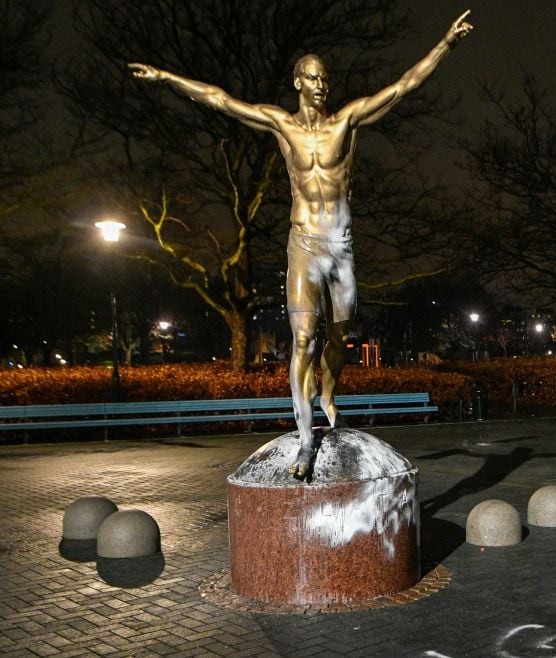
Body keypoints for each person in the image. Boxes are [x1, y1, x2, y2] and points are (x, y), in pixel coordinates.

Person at [130, 11, 474, 479]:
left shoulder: (347, 122)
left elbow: (403, 87)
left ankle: (328, 392)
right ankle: (306, 440)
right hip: (303, 243)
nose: (320, 85)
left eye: (325, 79)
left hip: (342, 247)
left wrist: (446, 44)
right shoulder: (280, 125)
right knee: (304, 339)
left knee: (340, 337)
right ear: (297, 82)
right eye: (312, 77)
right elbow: (221, 100)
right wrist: (166, 76)